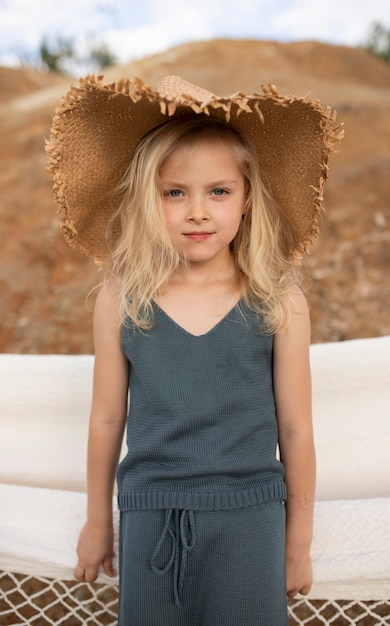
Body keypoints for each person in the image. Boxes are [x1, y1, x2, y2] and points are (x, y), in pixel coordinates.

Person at [47, 74, 342, 625]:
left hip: (252, 520)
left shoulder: (279, 301)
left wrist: (297, 542)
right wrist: (97, 522)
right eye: (175, 192)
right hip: (149, 519)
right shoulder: (121, 299)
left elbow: (296, 429)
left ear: (247, 197)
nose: (198, 211)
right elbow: (107, 418)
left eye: (219, 191)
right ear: (147, 198)